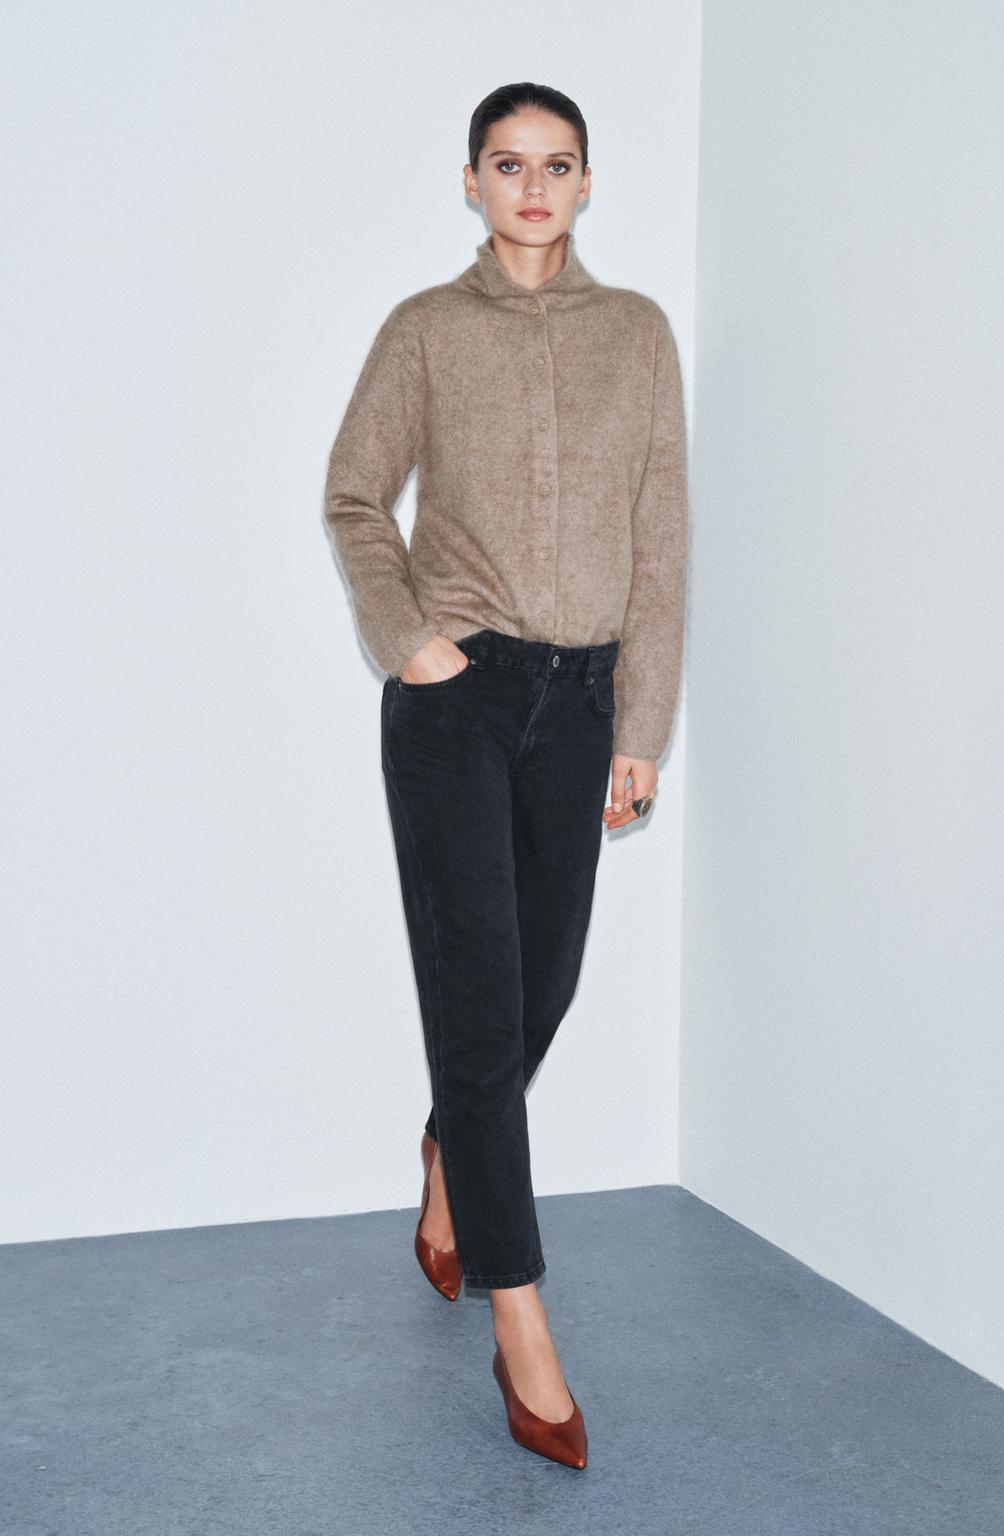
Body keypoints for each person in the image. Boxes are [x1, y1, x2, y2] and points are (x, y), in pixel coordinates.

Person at [322, 81, 688, 1469]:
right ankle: (521, 1317)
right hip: (457, 702)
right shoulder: (425, 329)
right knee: (479, 995)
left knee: (547, 979)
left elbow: (663, 535)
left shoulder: (637, 334)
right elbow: (354, 493)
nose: (534, 187)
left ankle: (449, 1154)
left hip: (584, 701)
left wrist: (641, 720)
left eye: (558, 164)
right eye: (508, 163)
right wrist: (408, 640)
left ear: (587, 183)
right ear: (471, 182)